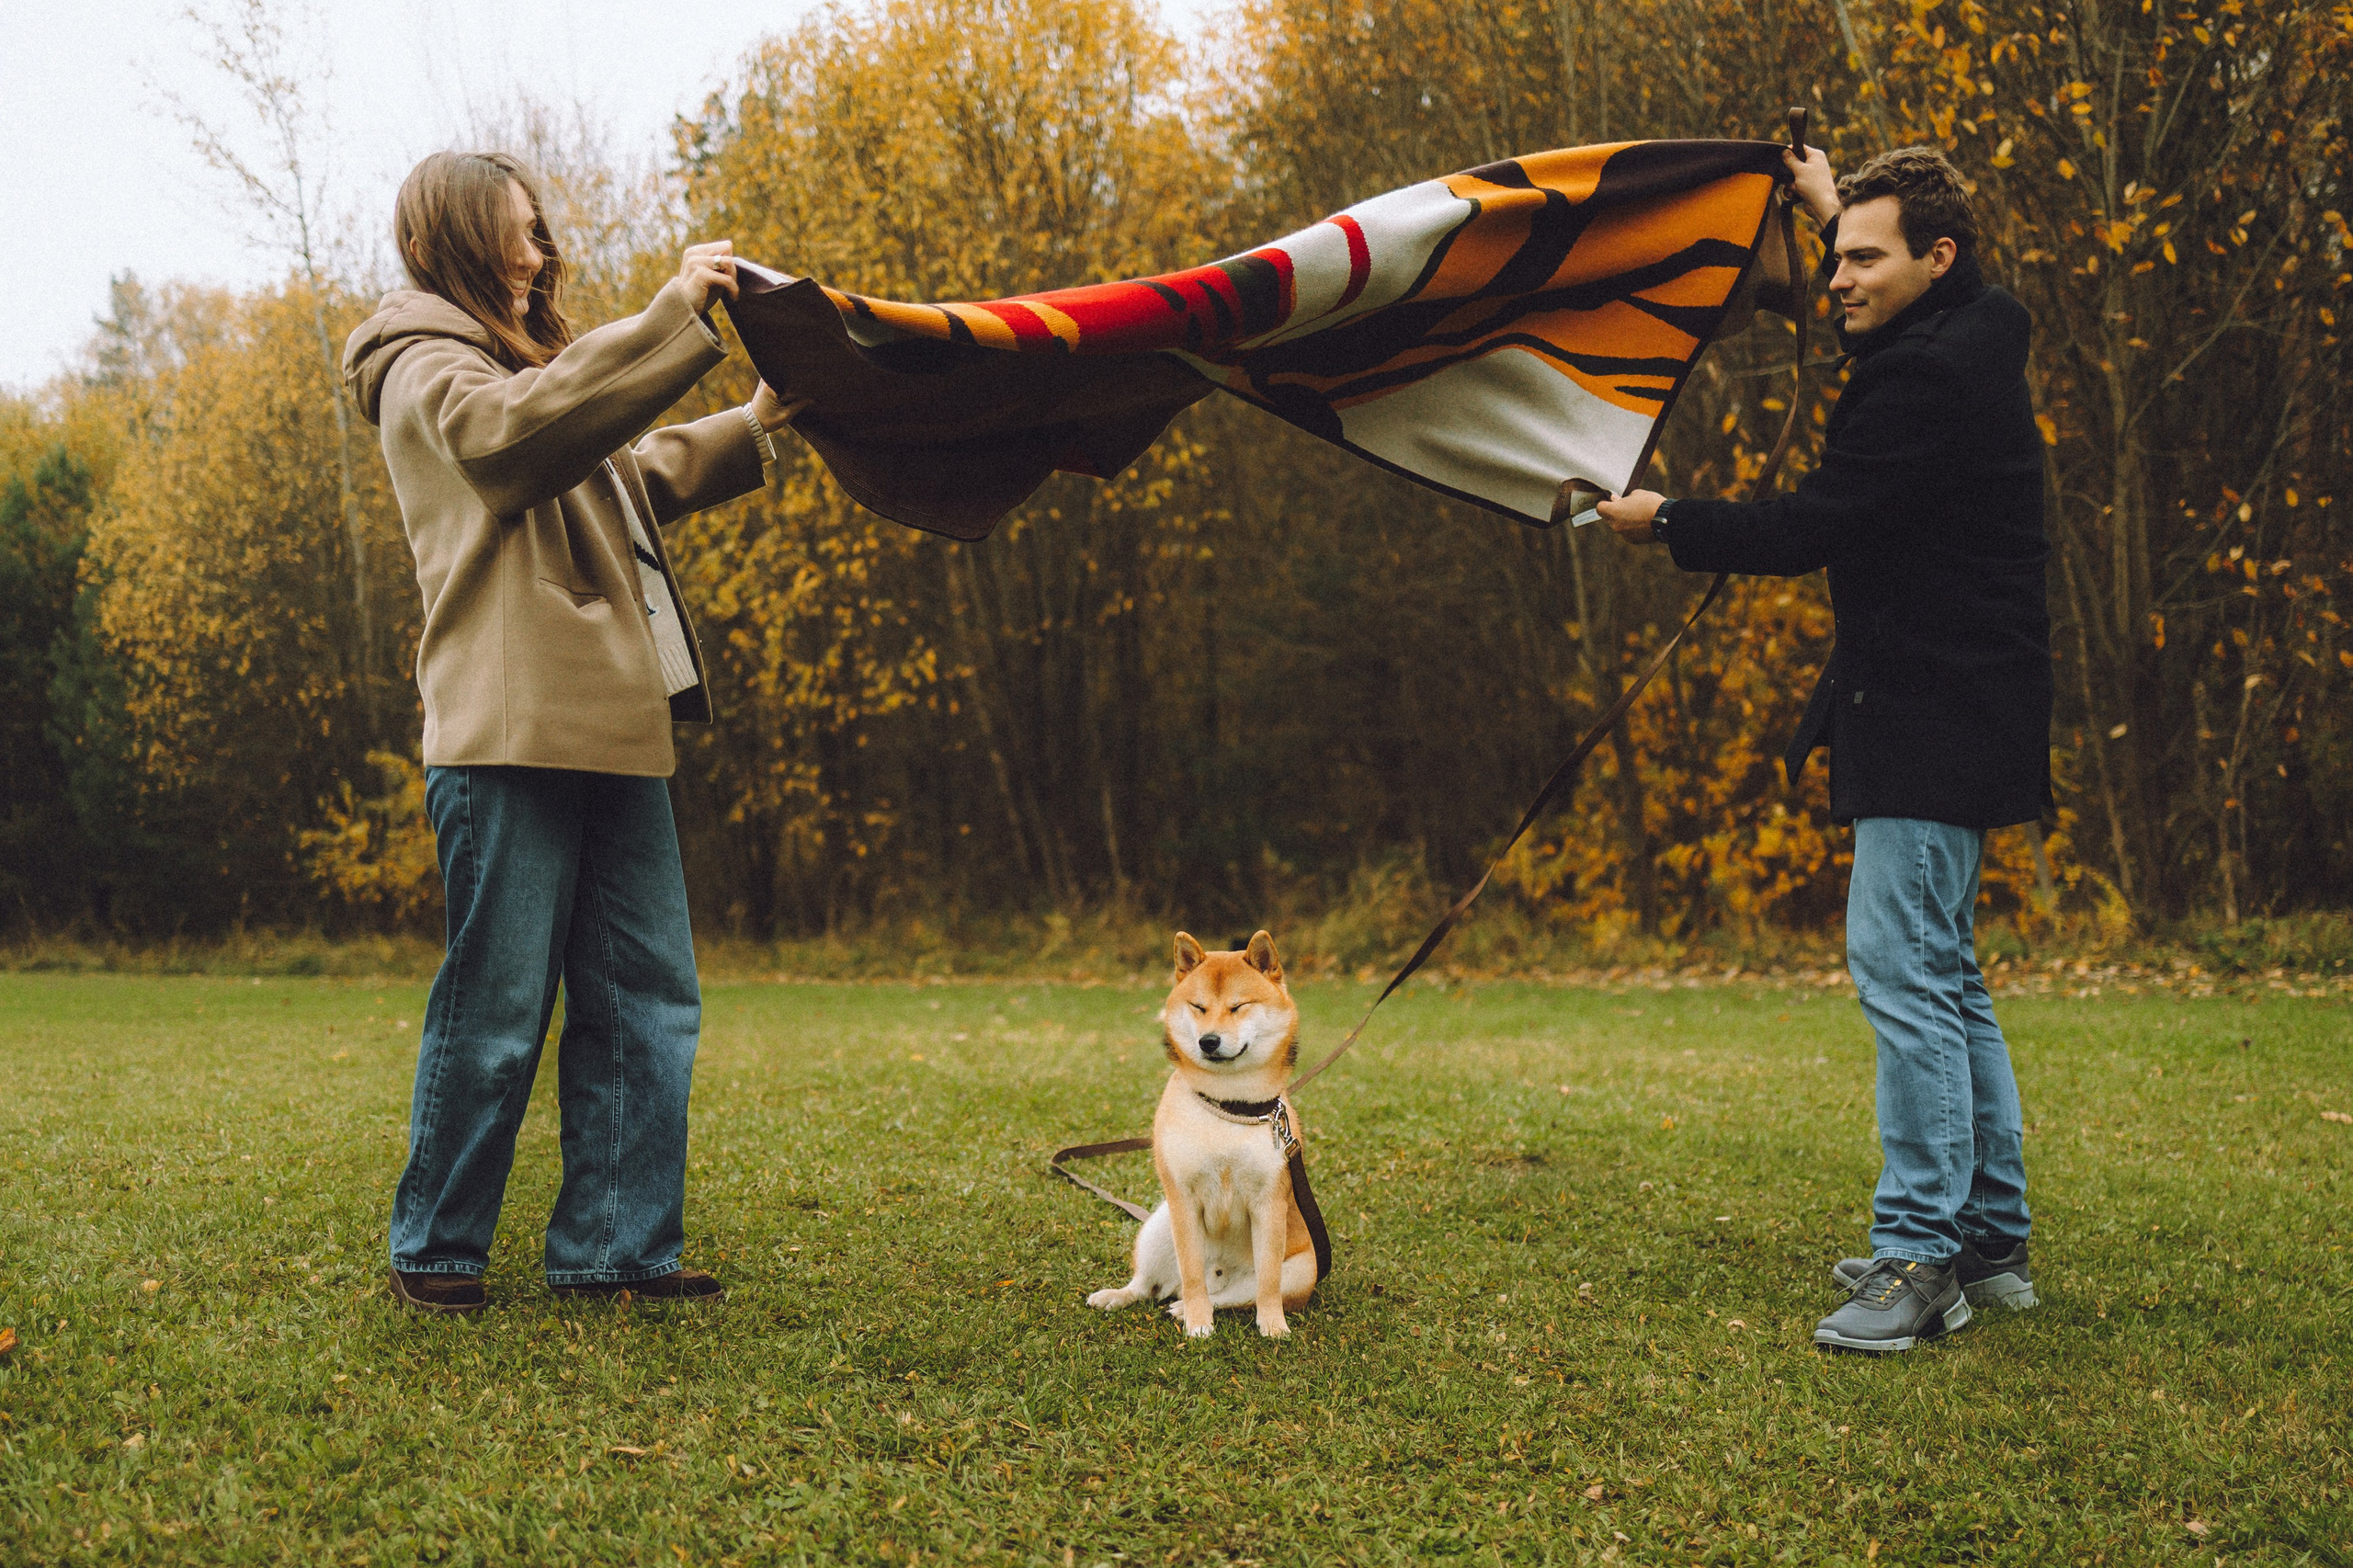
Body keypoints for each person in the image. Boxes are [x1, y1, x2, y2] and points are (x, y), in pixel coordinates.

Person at [1597, 144, 2050, 1354]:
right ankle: (1991, 1238)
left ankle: (1921, 1256)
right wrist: (1831, 198)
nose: (1834, 278)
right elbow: (1890, 280)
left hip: (1930, 708)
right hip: (1963, 703)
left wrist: (1667, 523)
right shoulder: (1973, 328)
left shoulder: (1922, 386)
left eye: (1859, 258)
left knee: (1904, 973)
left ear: (1933, 261)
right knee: (1946, 973)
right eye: (1833, 253)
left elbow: (1811, 527)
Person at [343, 151, 802, 1313]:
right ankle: (438, 1250)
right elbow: (514, 446)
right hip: (508, 732)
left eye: (541, 232)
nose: (540, 253)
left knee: (649, 999)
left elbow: (617, 473)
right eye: (517, 233)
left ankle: (612, 1250)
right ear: (448, 241)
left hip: (617, 720)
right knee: (498, 1007)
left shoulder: (536, 371)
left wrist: (749, 423)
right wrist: (663, 317)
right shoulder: (422, 366)